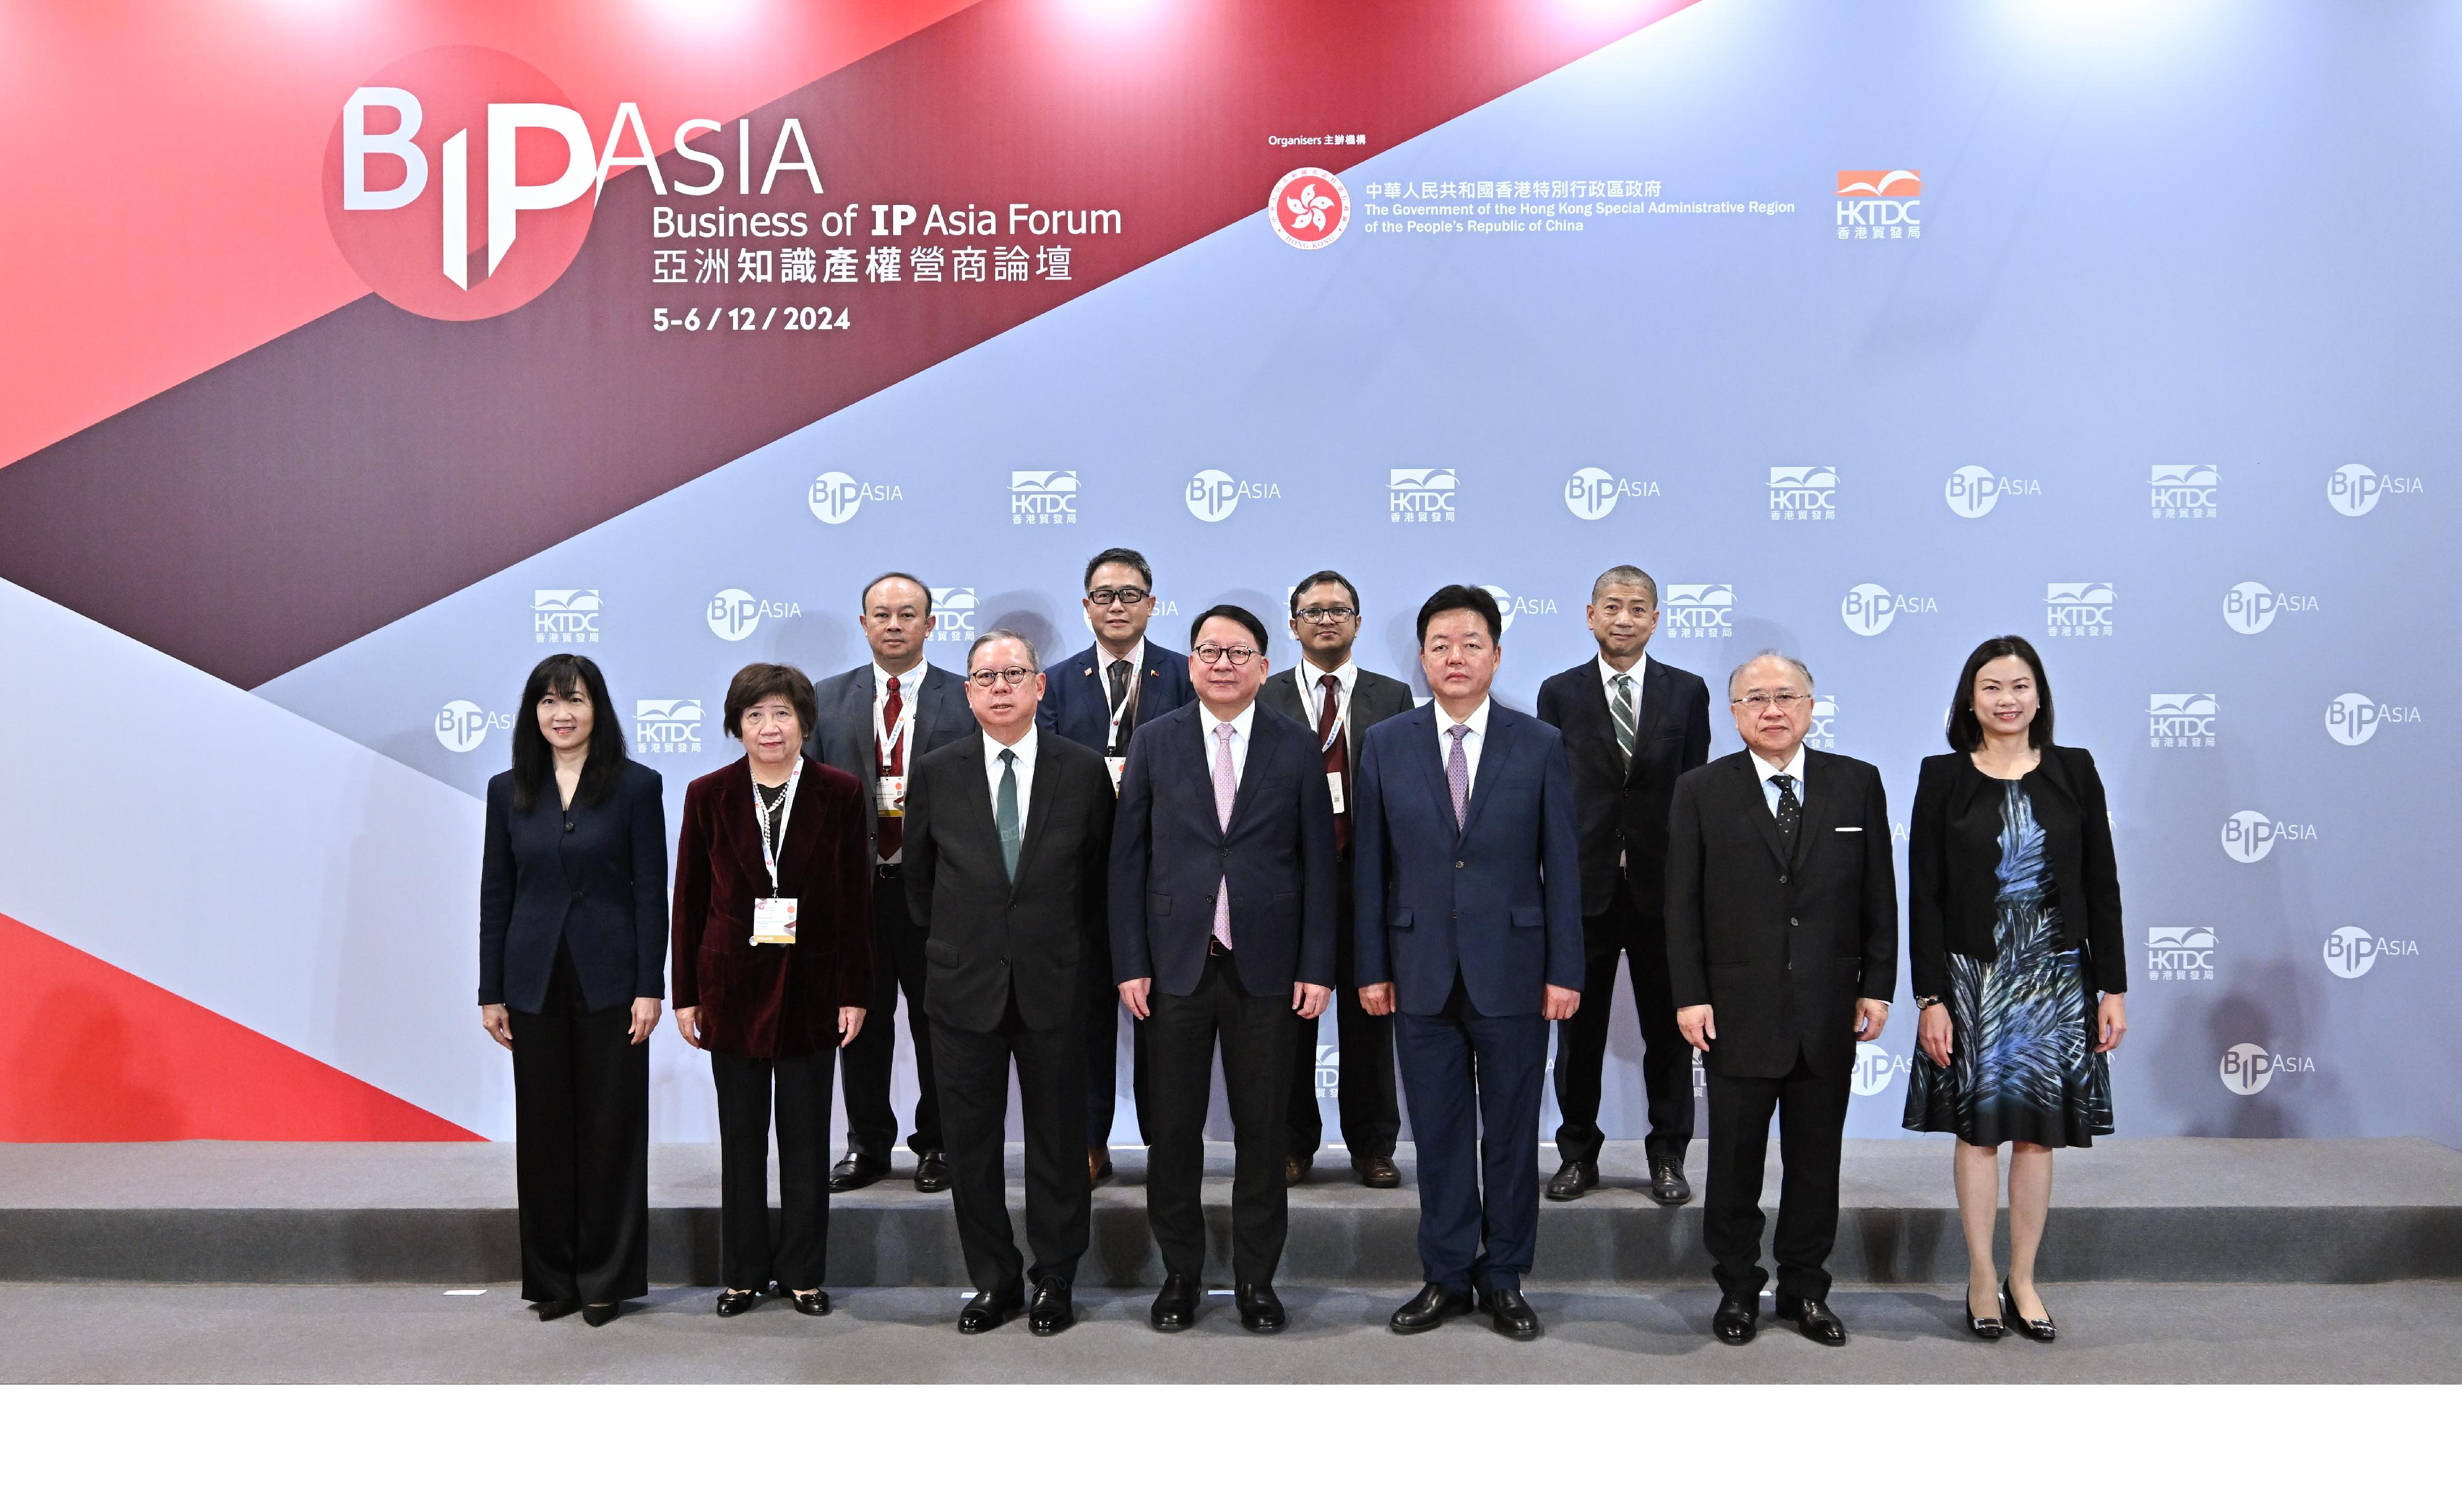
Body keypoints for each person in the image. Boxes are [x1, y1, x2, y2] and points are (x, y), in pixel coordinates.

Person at [1353, 585, 1583, 1341]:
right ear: (1421, 658)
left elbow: (1563, 868)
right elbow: (1369, 870)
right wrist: (1370, 966)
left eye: (1471, 643)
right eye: (1441, 645)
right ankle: (1445, 1274)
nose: (1456, 657)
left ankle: (1505, 1276)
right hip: (1416, 968)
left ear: (1496, 654)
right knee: (1440, 1133)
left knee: (1513, 1134)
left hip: (1516, 970)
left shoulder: (1538, 742)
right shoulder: (1385, 743)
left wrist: (1566, 970)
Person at [1110, 604, 1336, 1334]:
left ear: (1264, 667)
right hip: (1173, 966)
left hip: (1268, 969)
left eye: (1238, 653)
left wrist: (1317, 964)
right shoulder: (1155, 740)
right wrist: (1130, 962)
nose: (1222, 664)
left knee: (1263, 1133)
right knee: (1170, 1132)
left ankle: (1254, 1280)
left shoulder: (1297, 745)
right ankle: (1179, 1274)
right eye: (1208, 651)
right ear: (1191, 663)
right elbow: (1127, 862)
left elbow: (1319, 865)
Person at [1666, 652, 1895, 1348]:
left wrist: (1878, 985)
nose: (1773, 710)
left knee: (1816, 1161)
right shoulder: (1700, 790)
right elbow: (1680, 905)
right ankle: (1737, 1288)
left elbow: (1878, 894)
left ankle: (1803, 1288)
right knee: (1733, 1161)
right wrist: (1690, 995)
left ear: (1810, 705)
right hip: (1735, 1009)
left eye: (1786, 696)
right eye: (1756, 698)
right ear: (1733, 713)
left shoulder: (1856, 784)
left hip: (1827, 1008)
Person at [1903, 636, 2127, 1344]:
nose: (2007, 699)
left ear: (2039, 696)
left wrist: (2111, 988)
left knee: (2037, 1140)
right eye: (1992, 686)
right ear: (1970, 699)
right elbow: (1925, 897)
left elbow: (2102, 885)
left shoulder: (2074, 771)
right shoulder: (1942, 776)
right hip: (1974, 978)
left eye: (2020, 685)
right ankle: (1978, 1275)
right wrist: (1929, 997)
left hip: (2057, 976)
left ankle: (2023, 1277)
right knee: (1978, 1136)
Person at [902, 629, 1115, 1335]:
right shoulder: (935, 771)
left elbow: (1099, 882)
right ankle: (993, 1281)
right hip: (963, 990)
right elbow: (919, 885)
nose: (1000, 687)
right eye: (986, 677)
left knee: (1060, 1143)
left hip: (1057, 986)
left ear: (1039, 686)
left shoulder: (1082, 770)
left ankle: (1055, 1277)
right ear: (967, 692)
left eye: (1014, 674)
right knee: (971, 1146)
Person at [672, 663, 873, 1319]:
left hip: (814, 987)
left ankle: (804, 1273)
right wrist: (684, 994)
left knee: (808, 1139)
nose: (769, 728)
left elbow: (854, 902)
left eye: (782, 714)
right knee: (742, 1140)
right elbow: (689, 902)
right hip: (730, 987)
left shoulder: (839, 793)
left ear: (804, 723)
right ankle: (741, 1273)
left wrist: (855, 990)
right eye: (755, 715)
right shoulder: (707, 794)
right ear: (737, 724)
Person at [478, 654, 666, 1327]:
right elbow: (496, 894)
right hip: (530, 983)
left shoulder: (638, 787)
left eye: (576, 701)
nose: (563, 714)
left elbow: (651, 892)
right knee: (545, 1133)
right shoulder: (507, 790)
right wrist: (490, 989)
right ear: (534, 712)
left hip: (612, 980)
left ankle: (606, 1278)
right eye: (550, 702)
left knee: (611, 1129)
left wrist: (651, 985)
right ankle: (552, 1278)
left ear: (598, 709)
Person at [1533, 566, 1711, 1206]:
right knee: (1577, 1035)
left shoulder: (1687, 693)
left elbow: (1696, 798)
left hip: (1664, 894)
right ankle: (1577, 1153)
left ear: (1656, 619)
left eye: (1638, 608)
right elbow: (1553, 797)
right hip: (1584, 890)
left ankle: (1667, 1155)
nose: (1624, 618)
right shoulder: (1558, 693)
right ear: (1590, 615)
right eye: (1613, 606)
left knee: (1669, 1032)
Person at [806, 571, 977, 1195]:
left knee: (940, 1025)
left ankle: (938, 1144)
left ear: (931, 625)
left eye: (908, 614)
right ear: (863, 625)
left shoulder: (966, 699)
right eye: (881, 613)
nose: (894, 624)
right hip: (855, 894)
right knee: (861, 1022)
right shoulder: (824, 700)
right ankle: (866, 1144)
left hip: (937, 892)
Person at [1039, 546, 1196, 1185]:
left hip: (1165, 876)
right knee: (1084, 1021)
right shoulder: (1054, 680)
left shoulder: (1184, 676)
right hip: (1077, 879)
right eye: (1104, 595)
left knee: (1161, 1019)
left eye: (1130, 595)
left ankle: (1166, 1144)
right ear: (1085, 606)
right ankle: (1088, 1140)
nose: (1116, 606)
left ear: (1151, 605)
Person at [1259, 570, 1416, 1188]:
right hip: (1287, 886)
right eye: (1313, 610)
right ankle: (1292, 1143)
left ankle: (1374, 1146)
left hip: (1366, 882)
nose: (1326, 619)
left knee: (1370, 1020)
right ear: (1293, 623)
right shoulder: (1264, 696)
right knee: (1288, 1024)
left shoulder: (1391, 695)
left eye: (1339, 610)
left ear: (1357, 621)